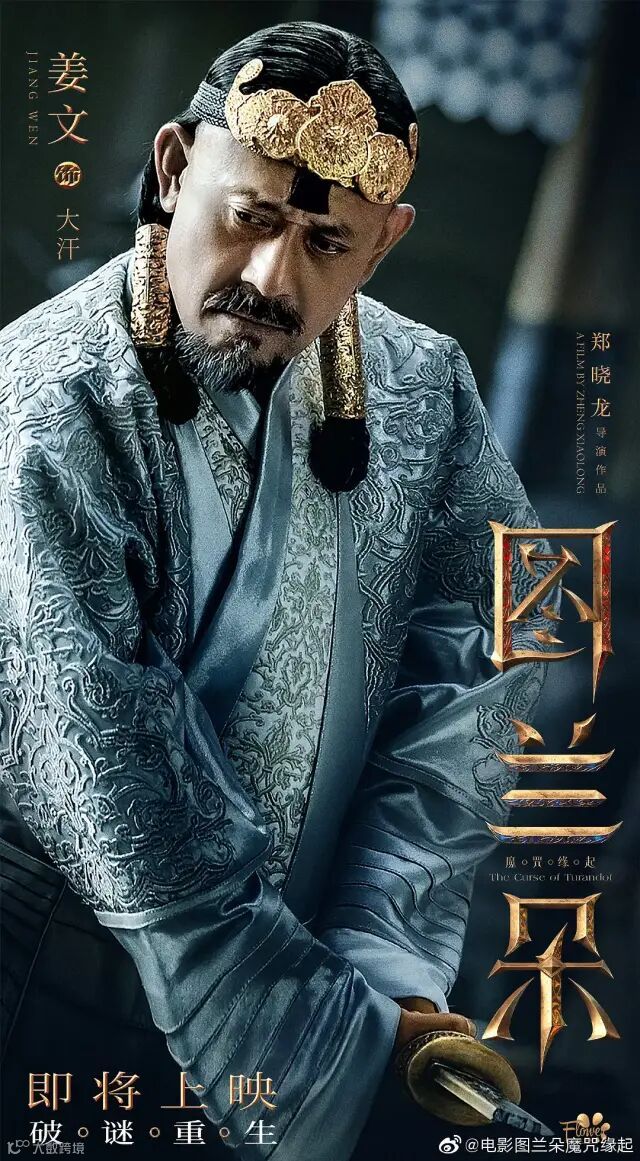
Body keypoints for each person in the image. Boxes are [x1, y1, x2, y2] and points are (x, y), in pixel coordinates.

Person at [0, 21, 548, 1161]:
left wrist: (385, 954)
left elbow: (485, 653)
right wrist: (346, 1056)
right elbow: (124, 795)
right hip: (51, 980)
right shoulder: (46, 410)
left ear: (384, 242)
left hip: (332, 977)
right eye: (249, 216)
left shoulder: (423, 383)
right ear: (172, 170)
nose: (271, 278)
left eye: (325, 241)